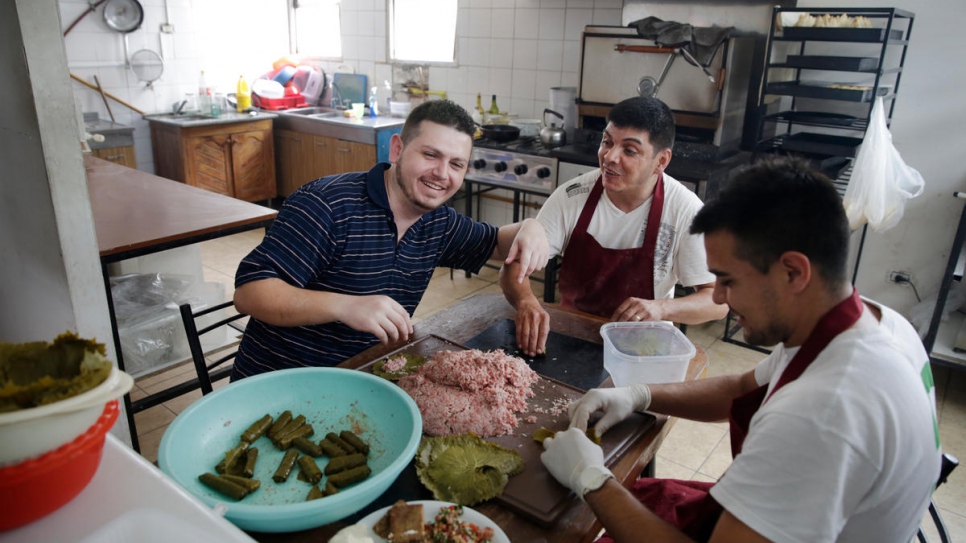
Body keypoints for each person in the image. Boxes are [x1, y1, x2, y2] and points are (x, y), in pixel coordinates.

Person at [540, 157, 941, 542]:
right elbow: (743, 387)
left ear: (794, 272)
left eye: (728, 280)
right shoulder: (875, 323)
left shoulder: (823, 413)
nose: (718, 297)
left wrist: (592, 480)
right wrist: (638, 394)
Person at [231, 100, 548, 380]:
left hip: (361, 380)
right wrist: (345, 305)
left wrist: (531, 226)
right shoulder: (327, 205)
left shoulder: (438, 222)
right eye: (430, 155)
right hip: (280, 387)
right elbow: (250, 293)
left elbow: (495, 242)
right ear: (397, 149)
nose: (441, 173)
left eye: (456, 164)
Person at [500, 96, 727, 356]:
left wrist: (662, 309)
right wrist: (526, 301)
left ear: (661, 161)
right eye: (607, 142)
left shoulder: (684, 211)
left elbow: (718, 301)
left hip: (643, 348)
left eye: (629, 150)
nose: (610, 157)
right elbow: (514, 266)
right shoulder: (572, 196)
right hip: (571, 338)